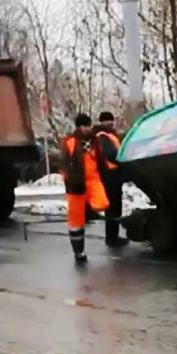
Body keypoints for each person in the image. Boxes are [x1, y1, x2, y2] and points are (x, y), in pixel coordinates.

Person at [60, 113, 109, 264]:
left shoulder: (94, 141)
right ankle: (79, 251)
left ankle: (89, 210)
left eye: (89, 125)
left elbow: (101, 158)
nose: (88, 128)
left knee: (103, 203)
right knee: (76, 222)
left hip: (93, 179)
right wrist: (68, 180)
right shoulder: (70, 142)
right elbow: (64, 163)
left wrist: (107, 170)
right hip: (76, 184)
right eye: (86, 125)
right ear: (79, 126)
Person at [94, 111, 128, 248]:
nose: (111, 123)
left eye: (111, 120)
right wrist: (123, 160)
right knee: (113, 207)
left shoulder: (110, 135)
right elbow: (111, 154)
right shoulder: (102, 136)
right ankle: (112, 238)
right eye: (107, 121)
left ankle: (113, 236)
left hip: (113, 175)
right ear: (102, 122)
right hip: (110, 176)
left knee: (115, 207)